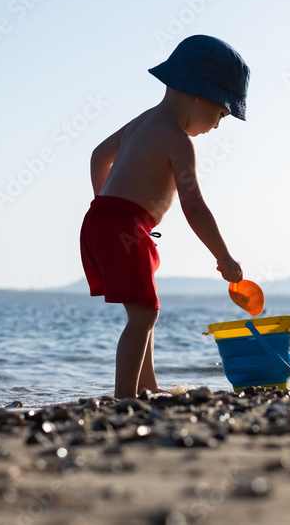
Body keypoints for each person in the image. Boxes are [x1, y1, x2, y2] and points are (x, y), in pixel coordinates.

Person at [80, 34, 249, 398]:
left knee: (145, 310)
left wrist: (102, 203)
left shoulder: (143, 122)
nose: (218, 125)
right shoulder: (177, 140)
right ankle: (124, 398)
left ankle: (148, 387)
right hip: (125, 225)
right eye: (221, 113)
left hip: (100, 221)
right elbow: (195, 208)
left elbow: (98, 155)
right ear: (199, 94)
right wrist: (224, 256)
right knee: (143, 317)